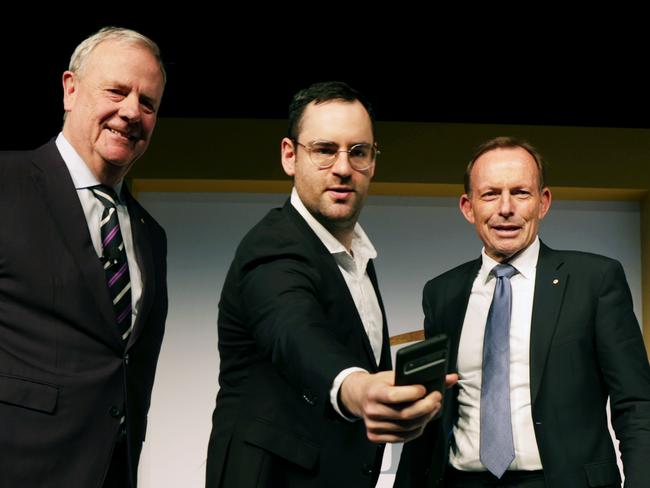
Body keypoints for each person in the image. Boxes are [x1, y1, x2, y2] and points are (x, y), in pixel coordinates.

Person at [205, 81, 452, 487]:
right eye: (324, 150)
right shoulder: (272, 246)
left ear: (373, 162)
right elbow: (293, 330)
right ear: (290, 156)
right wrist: (356, 388)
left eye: (358, 152)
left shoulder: (357, 256)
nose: (342, 167)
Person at [396, 136, 650, 488]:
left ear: (543, 202)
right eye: (490, 194)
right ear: (468, 207)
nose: (505, 208)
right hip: (462, 481)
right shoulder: (442, 293)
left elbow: (636, 404)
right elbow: (429, 414)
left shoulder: (595, 280)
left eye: (520, 192)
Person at [0, 27, 168, 488]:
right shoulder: (5, 184)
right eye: (116, 90)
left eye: (148, 102)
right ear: (70, 90)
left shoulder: (152, 236)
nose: (131, 111)